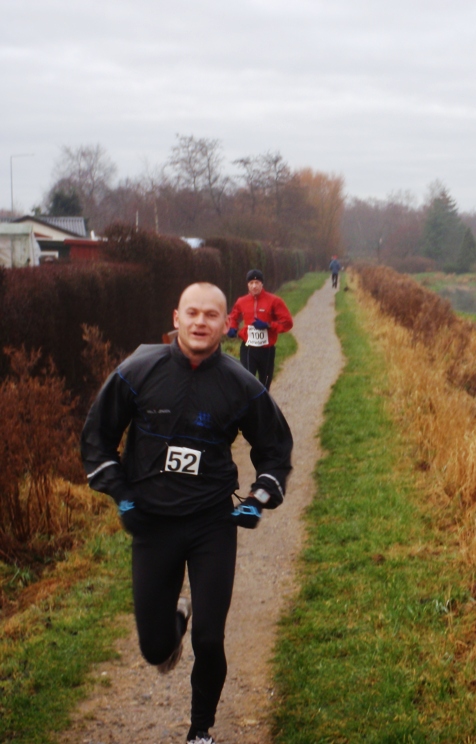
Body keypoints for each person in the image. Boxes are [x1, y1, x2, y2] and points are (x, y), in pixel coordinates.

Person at [81, 282, 293, 744]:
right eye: (192, 313)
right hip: (152, 522)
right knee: (156, 648)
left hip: (210, 523)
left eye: (211, 315)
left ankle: (200, 731)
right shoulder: (138, 370)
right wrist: (121, 493)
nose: (201, 322)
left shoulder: (241, 384)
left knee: (210, 640)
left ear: (225, 324)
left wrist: (258, 498)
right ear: (176, 318)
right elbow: (97, 438)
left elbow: (275, 450)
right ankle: (176, 616)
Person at [226, 269, 293, 390]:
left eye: (257, 283)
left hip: (266, 350)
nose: (254, 286)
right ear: (247, 285)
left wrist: (268, 325)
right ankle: (249, 408)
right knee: (246, 382)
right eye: (251, 283)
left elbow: (287, 322)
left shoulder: (274, 301)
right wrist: (232, 328)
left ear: (262, 284)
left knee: (264, 384)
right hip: (248, 348)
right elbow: (233, 317)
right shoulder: (242, 301)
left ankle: (263, 406)